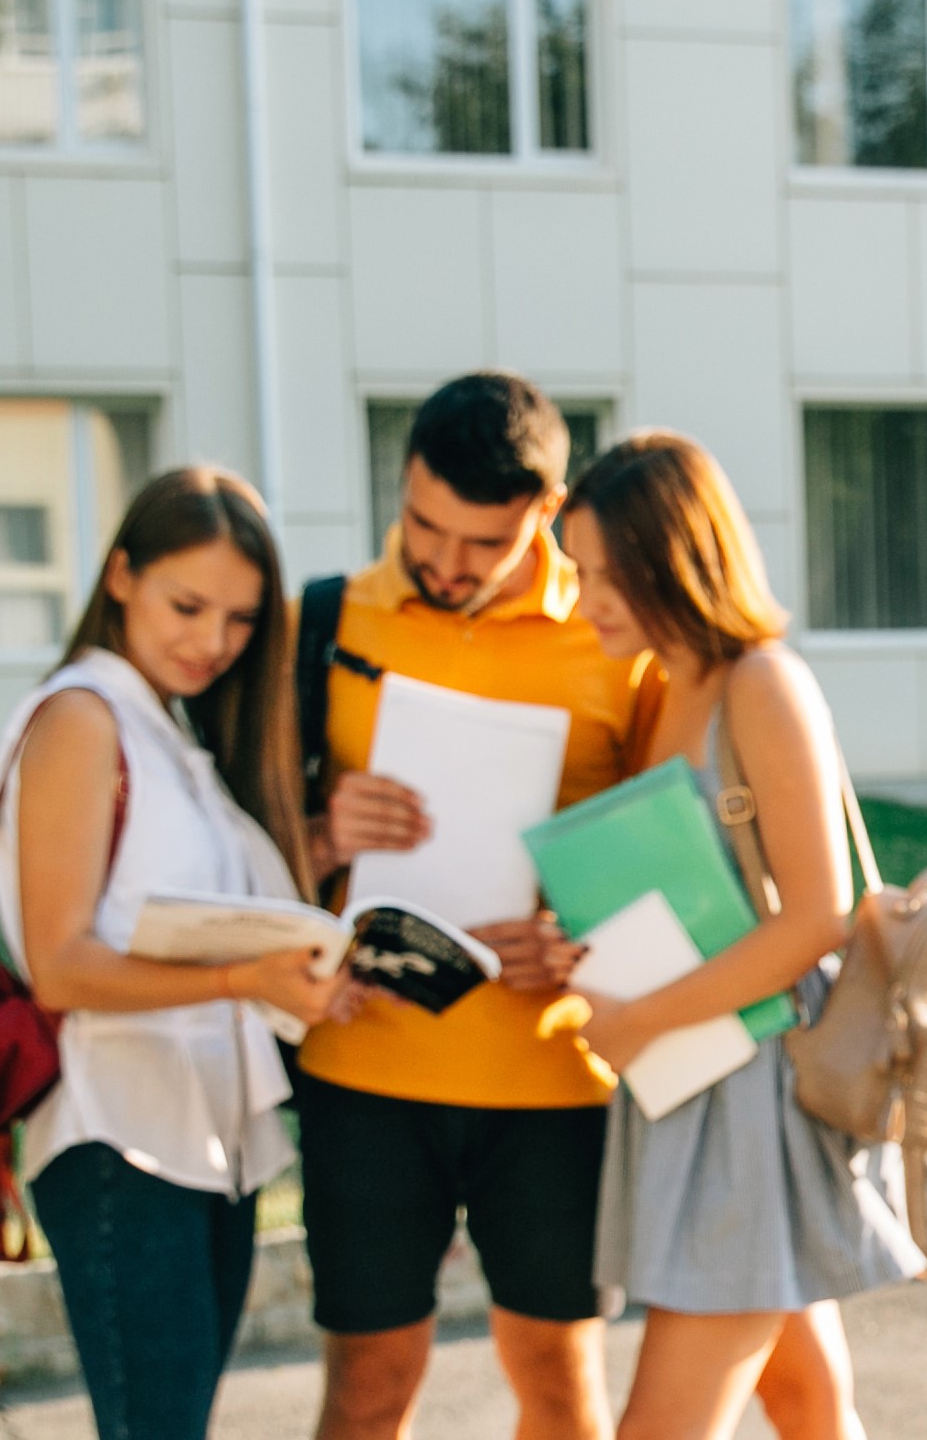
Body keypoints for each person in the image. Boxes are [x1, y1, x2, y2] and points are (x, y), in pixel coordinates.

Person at [293, 372, 663, 1440]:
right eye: (422, 525)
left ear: (545, 515)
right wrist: (323, 830)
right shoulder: (319, 622)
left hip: (552, 1074)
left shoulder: (611, 639)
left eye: (480, 543)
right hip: (362, 1068)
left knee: (556, 1380)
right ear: (401, 486)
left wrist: (579, 937)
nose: (444, 563)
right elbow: (237, 841)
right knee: (367, 1385)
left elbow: (666, 861)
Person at [550, 432, 925, 1440]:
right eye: (577, 573)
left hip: (760, 1090)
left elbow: (818, 916)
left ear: (672, 558)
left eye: (604, 574)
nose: (585, 599)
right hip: (697, 1073)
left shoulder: (762, 683)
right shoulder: (661, 689)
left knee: (661, 1427)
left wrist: (636, 1018)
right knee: (805, 1401)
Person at [0, 466, 358, 1440]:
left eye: (239, 620)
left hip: (207, 1142)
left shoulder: (172, 732)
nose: (211, 641)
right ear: (120, 577)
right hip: (119, 1136)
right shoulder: (81, 719)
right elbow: (60, 966)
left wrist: (322, 844)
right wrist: (248, 980)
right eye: (186, 605)